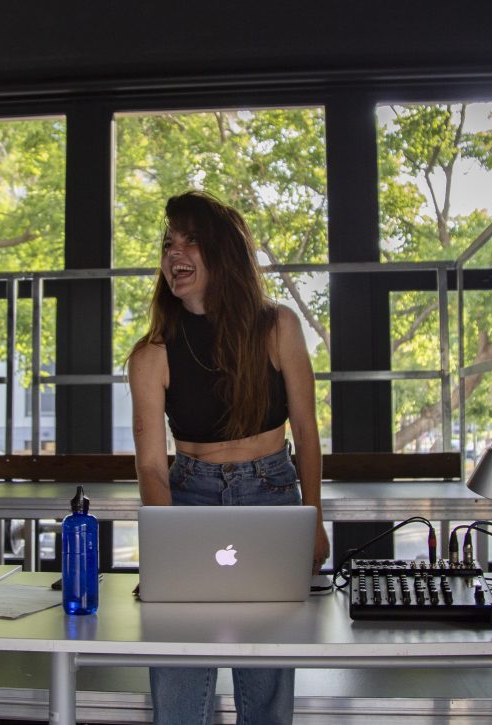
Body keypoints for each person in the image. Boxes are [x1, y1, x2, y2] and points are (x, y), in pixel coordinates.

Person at [128, 190, 330, 725]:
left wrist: (314, 519)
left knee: (266, 674)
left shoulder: (278, 326)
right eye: (169, 244)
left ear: (223, 251)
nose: (175, 254)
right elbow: (151, 465)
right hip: (188, 494)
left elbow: (307, 434)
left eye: (190, 240)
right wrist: (165, 542)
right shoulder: (150, 354)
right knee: (177, 667)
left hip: (272, 492)